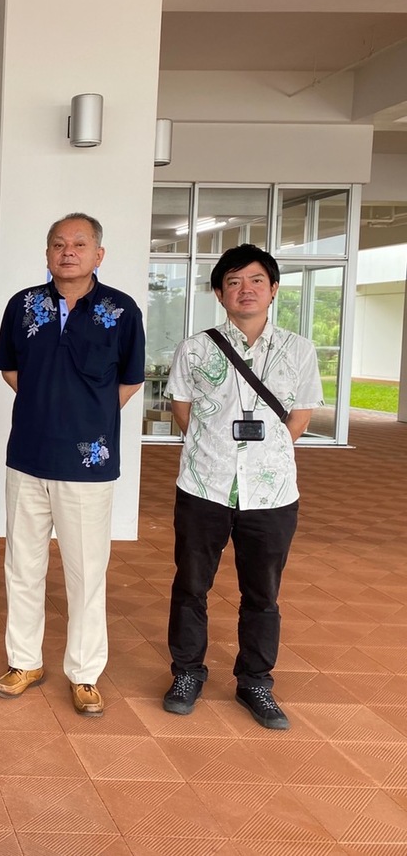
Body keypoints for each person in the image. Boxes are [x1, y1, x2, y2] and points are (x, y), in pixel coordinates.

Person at [163, 244, 323, 730]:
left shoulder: (299, 350)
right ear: (219, 293)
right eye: (233, 282)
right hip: (204, 485)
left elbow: (299, 418)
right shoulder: (195, 348)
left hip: (271, 493)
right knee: (191, 585)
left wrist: (261, 456)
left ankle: (255, 680)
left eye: (256, 280)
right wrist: (216, 448)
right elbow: (182, 409)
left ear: (273, 289)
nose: (245, 290)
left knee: (263, 593)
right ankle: (187, 672)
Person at [0, 213, 144, 715]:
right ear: (47, 253)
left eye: (79, 244)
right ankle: (24, 662)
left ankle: (84, 673)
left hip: (88, 465)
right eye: (58, 244)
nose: (68, 252)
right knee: (22, 566)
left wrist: (88, 415)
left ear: (99, 254)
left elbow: (130, 380)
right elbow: (11, 369)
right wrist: (48, 406)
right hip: (28, 456)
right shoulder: (23, 305)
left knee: (86, 573)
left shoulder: (121, 310)